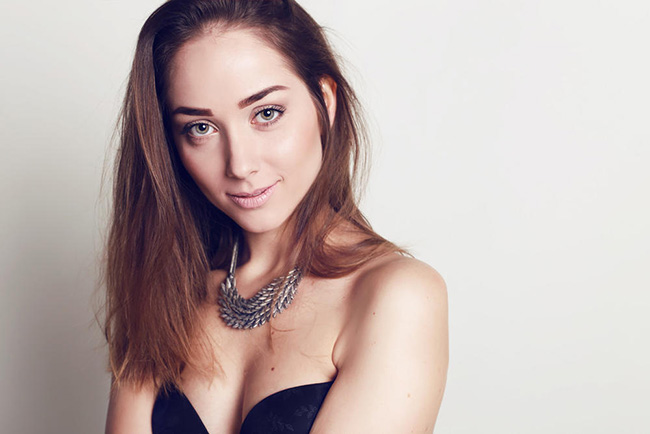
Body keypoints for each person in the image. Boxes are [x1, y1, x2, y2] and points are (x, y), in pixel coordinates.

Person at [102, 0, 448, 432]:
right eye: (201, 128)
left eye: (266, 114)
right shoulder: (166, 290)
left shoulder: (394, 295)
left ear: (325, 101)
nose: (240, 164)